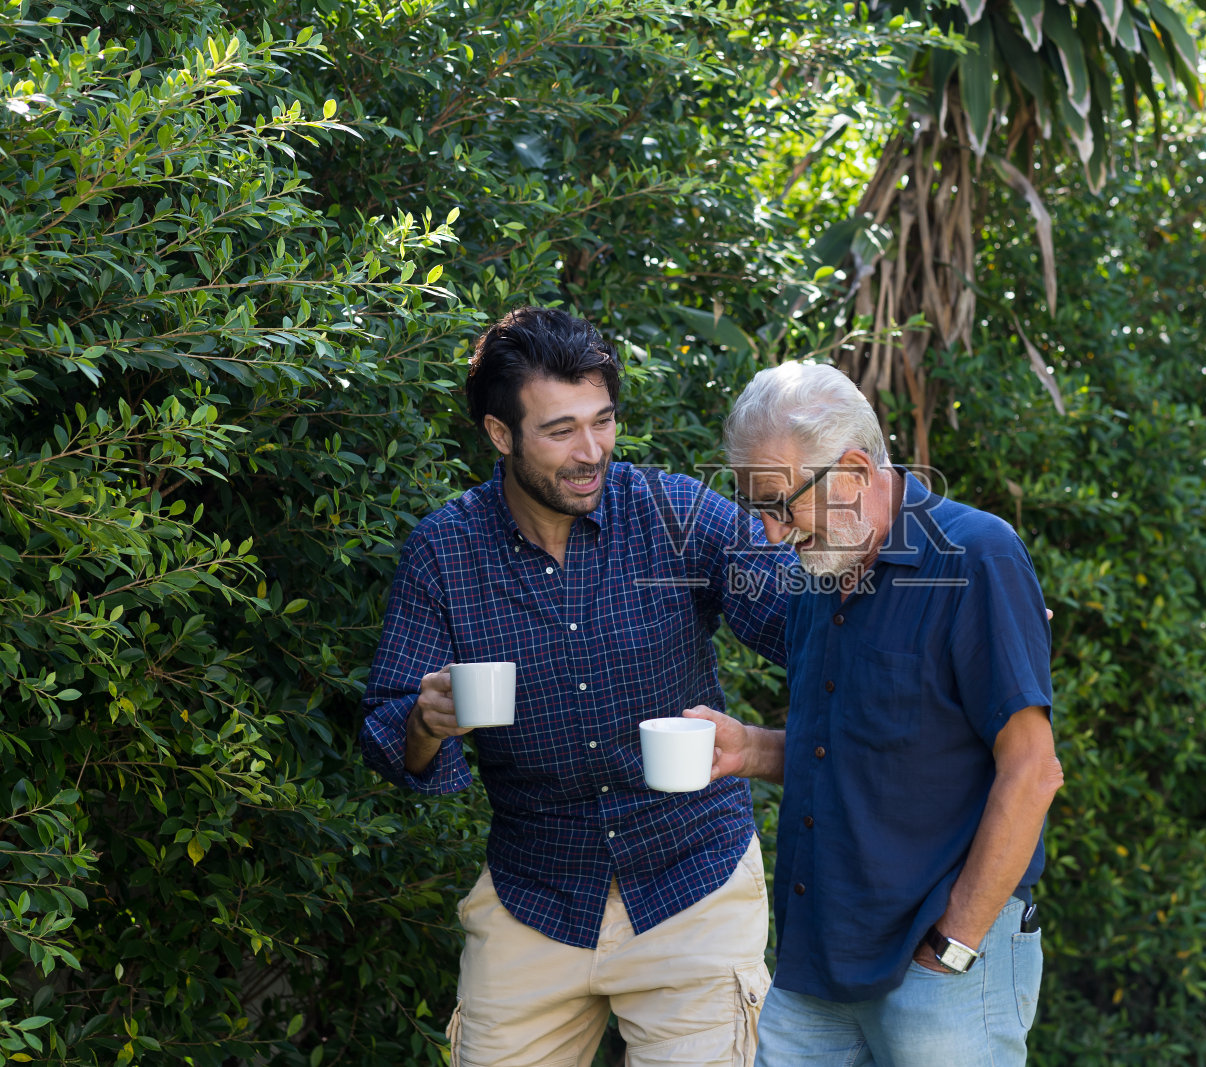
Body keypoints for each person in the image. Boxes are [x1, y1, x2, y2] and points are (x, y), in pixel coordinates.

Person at [359, 306, 793, 1067]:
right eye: (560, 430)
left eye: (603, 421)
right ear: (500, 434)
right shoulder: (443, 552)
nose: (590, 450)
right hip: (535, 899)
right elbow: (388, 730)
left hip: (693, 884)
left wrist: (894, 590)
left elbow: (794, 615)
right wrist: (426, 721)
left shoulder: (675, 513)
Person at [685, 362, 1063, 1066]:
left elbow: (1034, 773)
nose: (769, 535)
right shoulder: (818, 570)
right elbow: (857, 747)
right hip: (817, 962)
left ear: (854, 471)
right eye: (753, 509)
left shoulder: (978, 556)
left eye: (779, 504)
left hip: (939, 967)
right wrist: (750, 749)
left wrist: (954, 943)